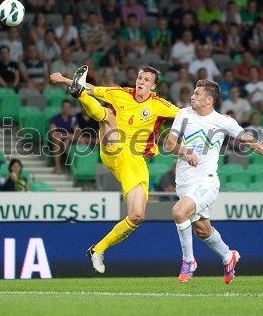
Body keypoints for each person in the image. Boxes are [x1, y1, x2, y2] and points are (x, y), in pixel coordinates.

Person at [50, 64, 179, 274]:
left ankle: (97, 249)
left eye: (147, 80)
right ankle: (78, 95)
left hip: (134, 161)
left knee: (137, 216)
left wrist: (217, 118)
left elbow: (186, 114)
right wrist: (65, 80)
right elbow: (91, 88)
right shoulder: (120, 94)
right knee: (108, 116)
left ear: (153, 86)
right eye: (140, 77)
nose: (141, 82)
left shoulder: (159, 105)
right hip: (112, 148)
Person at [163, 79, 263, 284]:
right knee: (202, 230)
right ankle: (227, 255)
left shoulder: (224, 122)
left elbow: (250, 141)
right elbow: (170, 144)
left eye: (197, 94)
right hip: (184, 183)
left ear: (209, 99)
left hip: (207, 182)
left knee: (179, 212)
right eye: (193, 93)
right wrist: (185, 151)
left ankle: (189, 261)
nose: (192, 96)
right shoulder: (184, 114)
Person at [49, 100, 76, 174]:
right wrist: (68, 136)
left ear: (70, 108)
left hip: (69, 141)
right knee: (57, 139)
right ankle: (57, 166)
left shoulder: (73, 119)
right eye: (65, 107)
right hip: (56, 141)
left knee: (82, 140)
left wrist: (68, 138)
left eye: (68, 107)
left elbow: (77, 134)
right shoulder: (55, 118)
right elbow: (53, 133)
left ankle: (77, 168)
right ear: (62, 108)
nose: (66, 109)